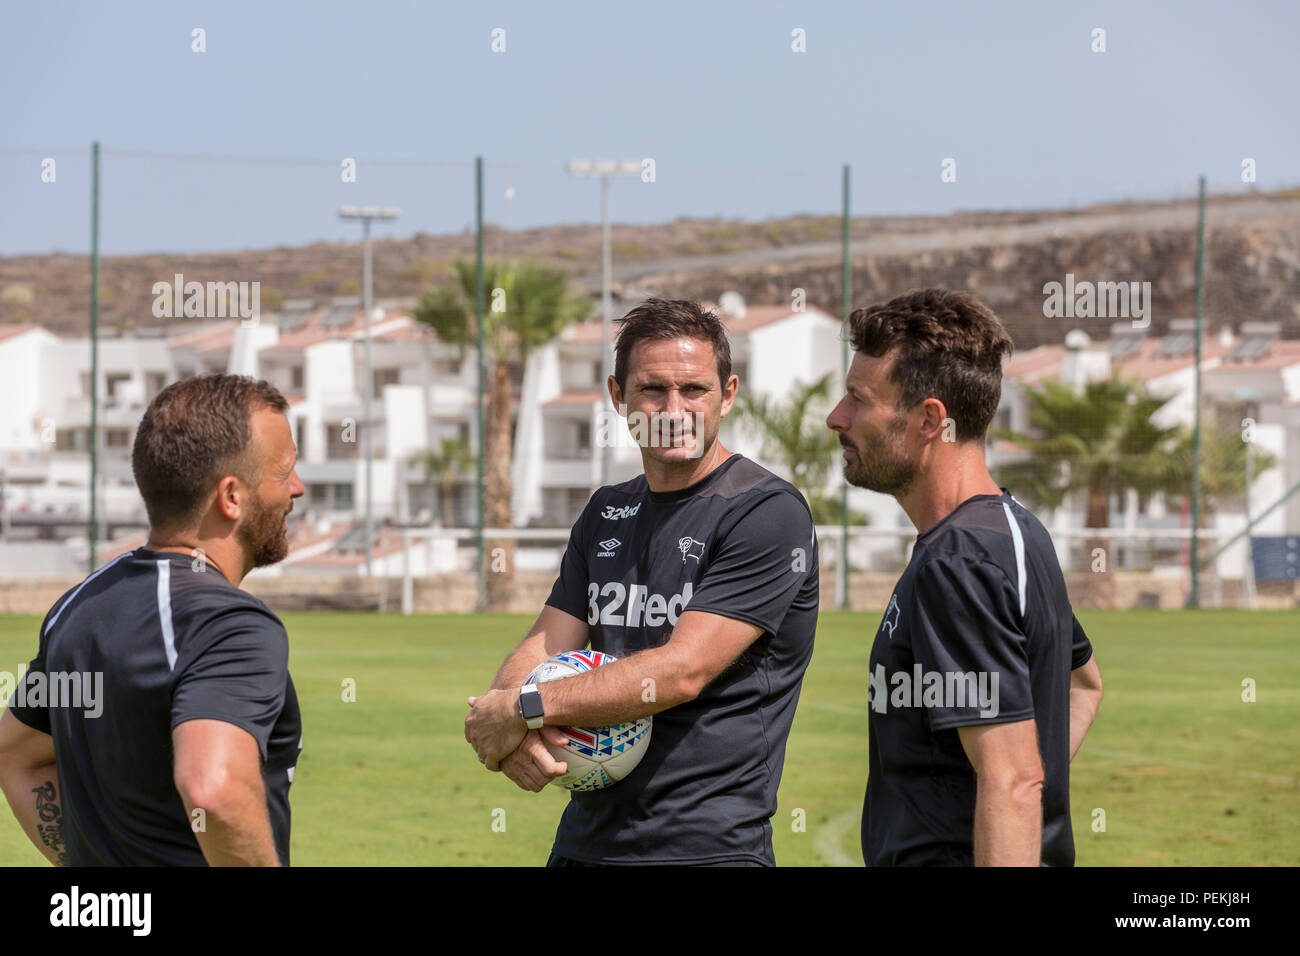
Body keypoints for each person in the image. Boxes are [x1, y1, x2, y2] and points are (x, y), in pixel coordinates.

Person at [464, 297, 820, 866]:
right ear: (618, 397)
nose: (672, 409)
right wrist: (514, 720)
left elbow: (682, 671)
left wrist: (521, 710)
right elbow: (545, 643)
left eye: (694, 390)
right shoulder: (608, 510)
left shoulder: (765, 513)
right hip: (586, 840)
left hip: (706, 849)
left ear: (727, 395)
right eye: (652, 389)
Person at [825, 288, 1103, 866]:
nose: (837, 418)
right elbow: (1084, 687)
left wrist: (1016, 795)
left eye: (858, 399)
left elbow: (1013, 779)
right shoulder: (1016, 531)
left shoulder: (958, 563)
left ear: (929, 420)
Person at [0, 374, 304, 866]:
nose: (297, 487)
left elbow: (17, 755)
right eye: (283, 471)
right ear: (231, 496)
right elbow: (213, 790)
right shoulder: (229, 625)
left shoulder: (78, 606)